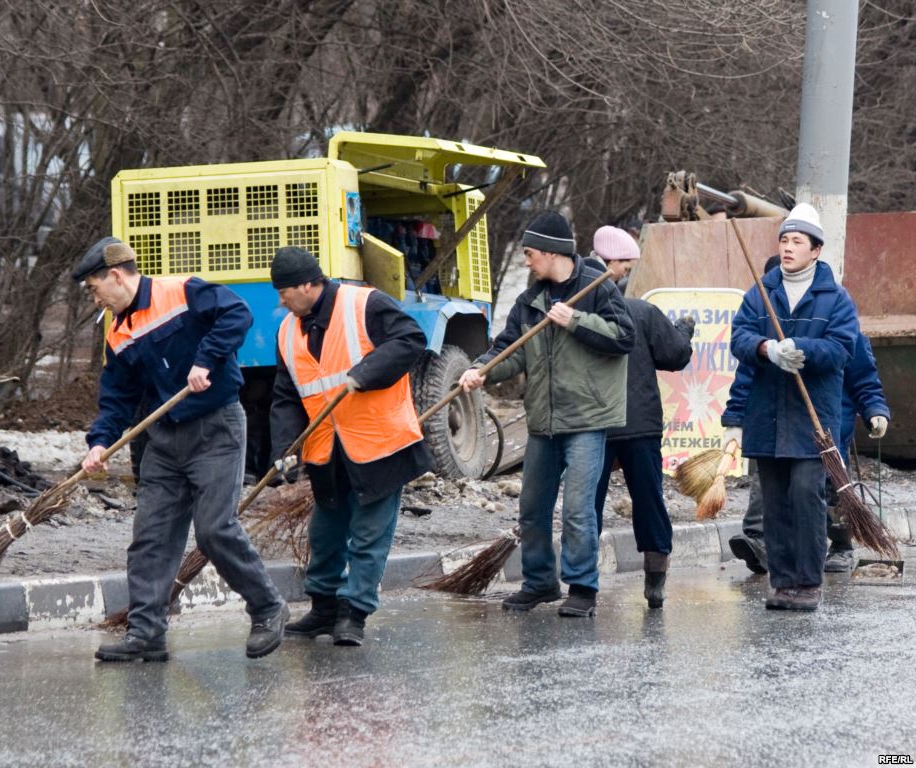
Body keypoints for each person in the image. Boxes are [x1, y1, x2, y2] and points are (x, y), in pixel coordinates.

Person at [75, 236, 288, 662]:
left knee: (214, 529)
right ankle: (146, 634)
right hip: (164, 441)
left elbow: (236, 314)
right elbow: (116, 396)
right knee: (150, 537)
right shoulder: (117, 334)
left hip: (216, 429)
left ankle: (268, 608)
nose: (95, 297)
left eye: (95, 288)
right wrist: (100, 443)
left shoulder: (183, 291)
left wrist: (205, 360)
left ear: (115, 276)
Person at [459, 212, 635, 618]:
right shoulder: (529, 301)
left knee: (577, 508)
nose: (525, 260)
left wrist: (576, 321)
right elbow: (511, 348)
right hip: (543, 420)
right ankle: (539, 582)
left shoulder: (598, 288)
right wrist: (481, 370)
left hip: (587, 420)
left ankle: (582, 588)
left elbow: (624, 337)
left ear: (554, 252)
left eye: (529, 252)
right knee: (533, 508)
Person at [268, 246, 432, 647]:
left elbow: (411, 339)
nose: (280, 300)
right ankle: (323, 608)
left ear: (309, 284)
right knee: (325, 533)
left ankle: (354, 613)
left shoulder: (365, 304)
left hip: (379, 443)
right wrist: (285, 448)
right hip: (327, 450)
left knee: (369, 534)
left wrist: (366, 372)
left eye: (284, 291)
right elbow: (287, 396)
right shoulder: (288, 331)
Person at [722, 204, 858, 611]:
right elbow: (739, 337)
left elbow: (842, 348)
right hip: (768, 416)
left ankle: (808, 581)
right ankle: (782, 584)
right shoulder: (761, 291)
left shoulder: (834, 298)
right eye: (784, 239)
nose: (788, 247)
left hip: (812, 418)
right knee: (776, 503)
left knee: (805, 494)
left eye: (797, 241)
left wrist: (801, 350)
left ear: (816, 250)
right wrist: (766, 348)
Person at [727, 257, 889, 575]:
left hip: (828, 427)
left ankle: (841, 544)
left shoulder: (837, 325)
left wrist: (875, 410)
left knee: (829, 489)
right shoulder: (767, 337)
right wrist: (734, 419)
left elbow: (862, 376)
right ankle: (761, 541)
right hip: (776, 424)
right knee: (768, 483)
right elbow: (746, 377)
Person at [590, 227, 694, 609]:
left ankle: (584, 582)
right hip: (639, 424)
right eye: (627, 266)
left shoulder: (575, 314)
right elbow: (675, 355)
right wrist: (684, 330)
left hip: (593, 423)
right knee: (648, 499)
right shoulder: (641, 312)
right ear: (614, 267)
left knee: (588, 503)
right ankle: (655, 582)